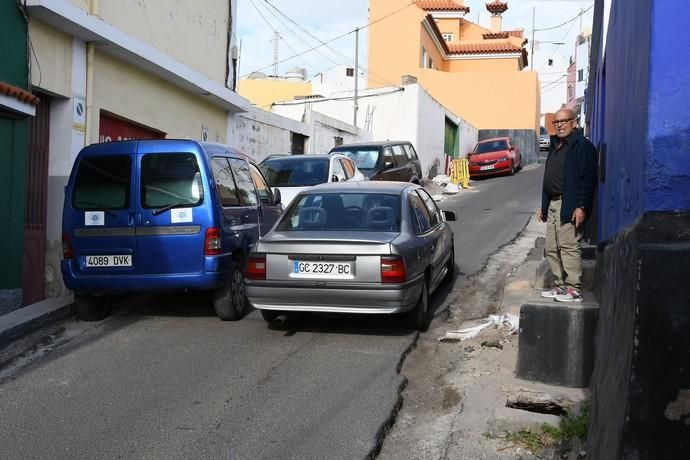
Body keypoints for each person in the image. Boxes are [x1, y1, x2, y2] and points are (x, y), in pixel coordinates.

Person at [538, 108, 597, 302]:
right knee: (551, 247)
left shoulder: (582, 146)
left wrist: (582, 206)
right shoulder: (556, 146)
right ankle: (561, 286)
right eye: (556, 122)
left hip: (569, 204)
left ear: (574, 122)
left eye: (564, 121)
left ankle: (574, 288)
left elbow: (588, 179)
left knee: (569, 246)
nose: (560, 125)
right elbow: (549, 177)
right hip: (554, 204)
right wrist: (544, 206)